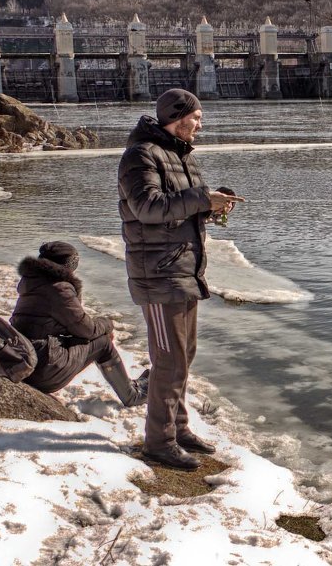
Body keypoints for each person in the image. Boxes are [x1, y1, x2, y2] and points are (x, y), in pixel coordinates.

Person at [117, 88, 242, 470]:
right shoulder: (140, 156)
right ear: (176, 115)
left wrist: (213, 206)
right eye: (196, 117)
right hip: (157, 274)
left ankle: (179, 428)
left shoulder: (180, 156)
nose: (200, 124)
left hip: (184, 269)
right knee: (168, 360)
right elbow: (147, 208)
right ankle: (158, 442)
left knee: (183, 357)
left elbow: (179, 210)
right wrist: (202, 199)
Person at [12, 241, 148, 406]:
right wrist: (107, 323)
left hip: (25, 362)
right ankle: (132, 395)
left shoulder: (30, 283)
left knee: (90, 335)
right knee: (103, 342)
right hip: (44, 369)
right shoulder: (59, 289)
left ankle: (128, 386)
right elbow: (87, 330)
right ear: (67, 265)